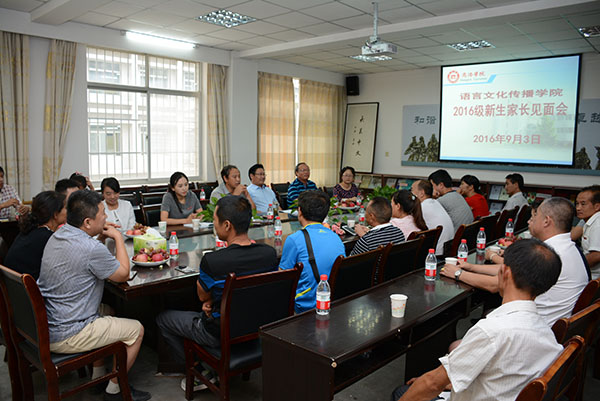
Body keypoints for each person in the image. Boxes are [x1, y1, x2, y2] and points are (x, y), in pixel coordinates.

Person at [391, 238, 563, 401]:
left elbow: (432, 383)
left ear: (504, 272)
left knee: (402, 392)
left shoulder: (491, 331)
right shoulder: (547, 334)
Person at [156, 195, 277, 392]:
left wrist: (211, 300)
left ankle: (200, 371)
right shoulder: (268, 254)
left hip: (220, 332)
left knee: (163, 319)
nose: (213, 224)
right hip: (258, 327)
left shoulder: (214, 261)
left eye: (214, 220)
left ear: (227, 225)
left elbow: (202, 297)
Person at [38, 190, 150, 401]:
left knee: (108, 310)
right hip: (68, 331)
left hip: (49, 321)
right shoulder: (90, 248)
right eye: (102, 213)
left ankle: (98, 377)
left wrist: (100, 237)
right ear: (88, 222)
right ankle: (114, 390)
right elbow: (123, 274)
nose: (106, 217)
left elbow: (86, 257)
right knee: (136, 330)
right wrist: (118, 237)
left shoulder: (58, 235)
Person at [441, 197, 588, 326]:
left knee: (456, 344)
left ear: (546, 221)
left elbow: (495, 284)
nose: (530, 220)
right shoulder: (567, 247)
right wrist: (470, 267)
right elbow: (511, 268)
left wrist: (458, 274)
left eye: (535, 215)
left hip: (536, 326)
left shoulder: (549, 254)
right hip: (545, 321)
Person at [280, 190, 345, 313]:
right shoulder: (335, 237)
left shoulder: (294, 239)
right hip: (331, 302)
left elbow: (283, 277)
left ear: (299, 211)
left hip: (303, 306)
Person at [4, 191, 66, 280]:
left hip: (14, 285)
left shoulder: (30, 229)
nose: (68, 211)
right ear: (55, 214)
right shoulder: (48, 238)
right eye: (65, 208)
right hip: (32, 286)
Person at [411, 180, 454, 256]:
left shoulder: (422, 207)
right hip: (447, 249)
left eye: (412, 190)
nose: (410, 194)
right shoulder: (435, 203)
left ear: (421, 193)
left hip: (436, 253)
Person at [571, 185, 600, 279]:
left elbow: (596, 255)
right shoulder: (589, 221)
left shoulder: (597, 224)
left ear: (597, 206)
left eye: (583, 204)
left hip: (593, 278)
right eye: (577, 204)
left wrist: (575, 268)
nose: (578, 208)